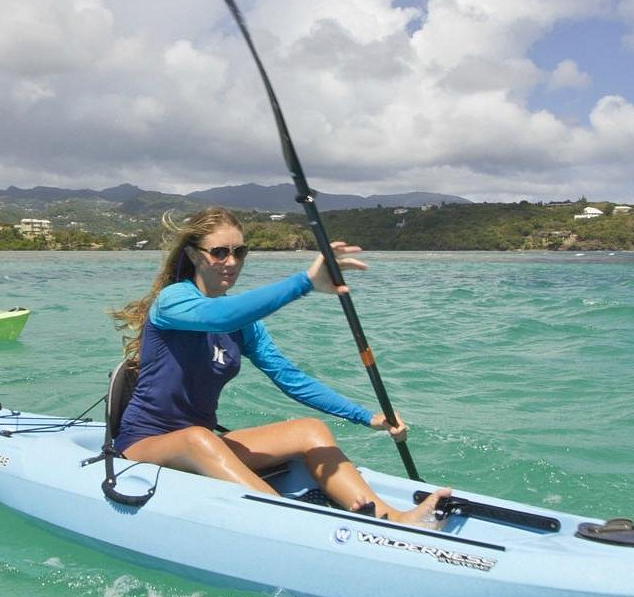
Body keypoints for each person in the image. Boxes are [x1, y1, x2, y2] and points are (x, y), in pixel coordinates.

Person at [110, 207, 448, 524]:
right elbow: (220, 315)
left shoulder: (244, 325)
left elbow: (290, 378)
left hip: (203, 444)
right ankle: (292, 522)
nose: (231, 262)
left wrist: (368, 417)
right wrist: (305, 283)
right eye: (220, 252)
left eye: (239, 252)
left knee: (310, 430)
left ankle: (394, 518)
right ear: (194, 255)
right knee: (198, 438)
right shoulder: (173, 301)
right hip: (145, 444)